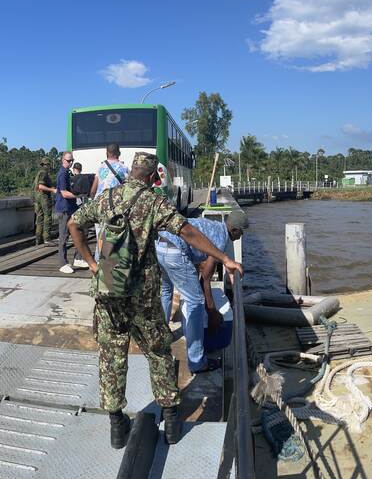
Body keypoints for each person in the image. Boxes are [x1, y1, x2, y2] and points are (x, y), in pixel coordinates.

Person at [67, 152, 243, 449]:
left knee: (111, 358)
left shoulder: (108, 198)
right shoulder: (152, 201)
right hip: (141, 297)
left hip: (108, 290)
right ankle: (172, 421)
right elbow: (187, 231)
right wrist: (225, 257)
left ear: (132, 170)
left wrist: (91, 263)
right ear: (150, 177)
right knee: (159, 353)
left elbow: (74, 224)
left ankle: (116, 426)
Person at [155, 213, 248, 373]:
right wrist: (212, 311)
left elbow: (200, 270)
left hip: (160, 244)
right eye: (241, 231)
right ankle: (197, 362)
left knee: (166, 289)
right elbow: (205, 279)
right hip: (175, 249)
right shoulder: (220, 240)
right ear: (233, 230)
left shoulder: (215, 227)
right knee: (196, 301)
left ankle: (161, 334)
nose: (242, 235)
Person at [55, 151, 83, 273]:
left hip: (71, 208)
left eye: (72, 160)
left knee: (79, 231)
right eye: (68, 160)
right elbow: (64, 193)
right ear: (62, 160)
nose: (70, 162)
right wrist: (78, 195)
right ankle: (62, 263)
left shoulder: (68, 172)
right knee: (64, 236)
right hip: (64, 208)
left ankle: (78, 258)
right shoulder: (62, 174)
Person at [32, 157, 56, 245]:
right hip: (44, 197)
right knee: (47, 217)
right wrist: (52, 190)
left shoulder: (39, 173)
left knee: (40, 218)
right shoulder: (44, 173)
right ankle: (47, 238)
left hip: (37, 198)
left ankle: (38, 239)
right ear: (48, 165)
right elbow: (41, 186)